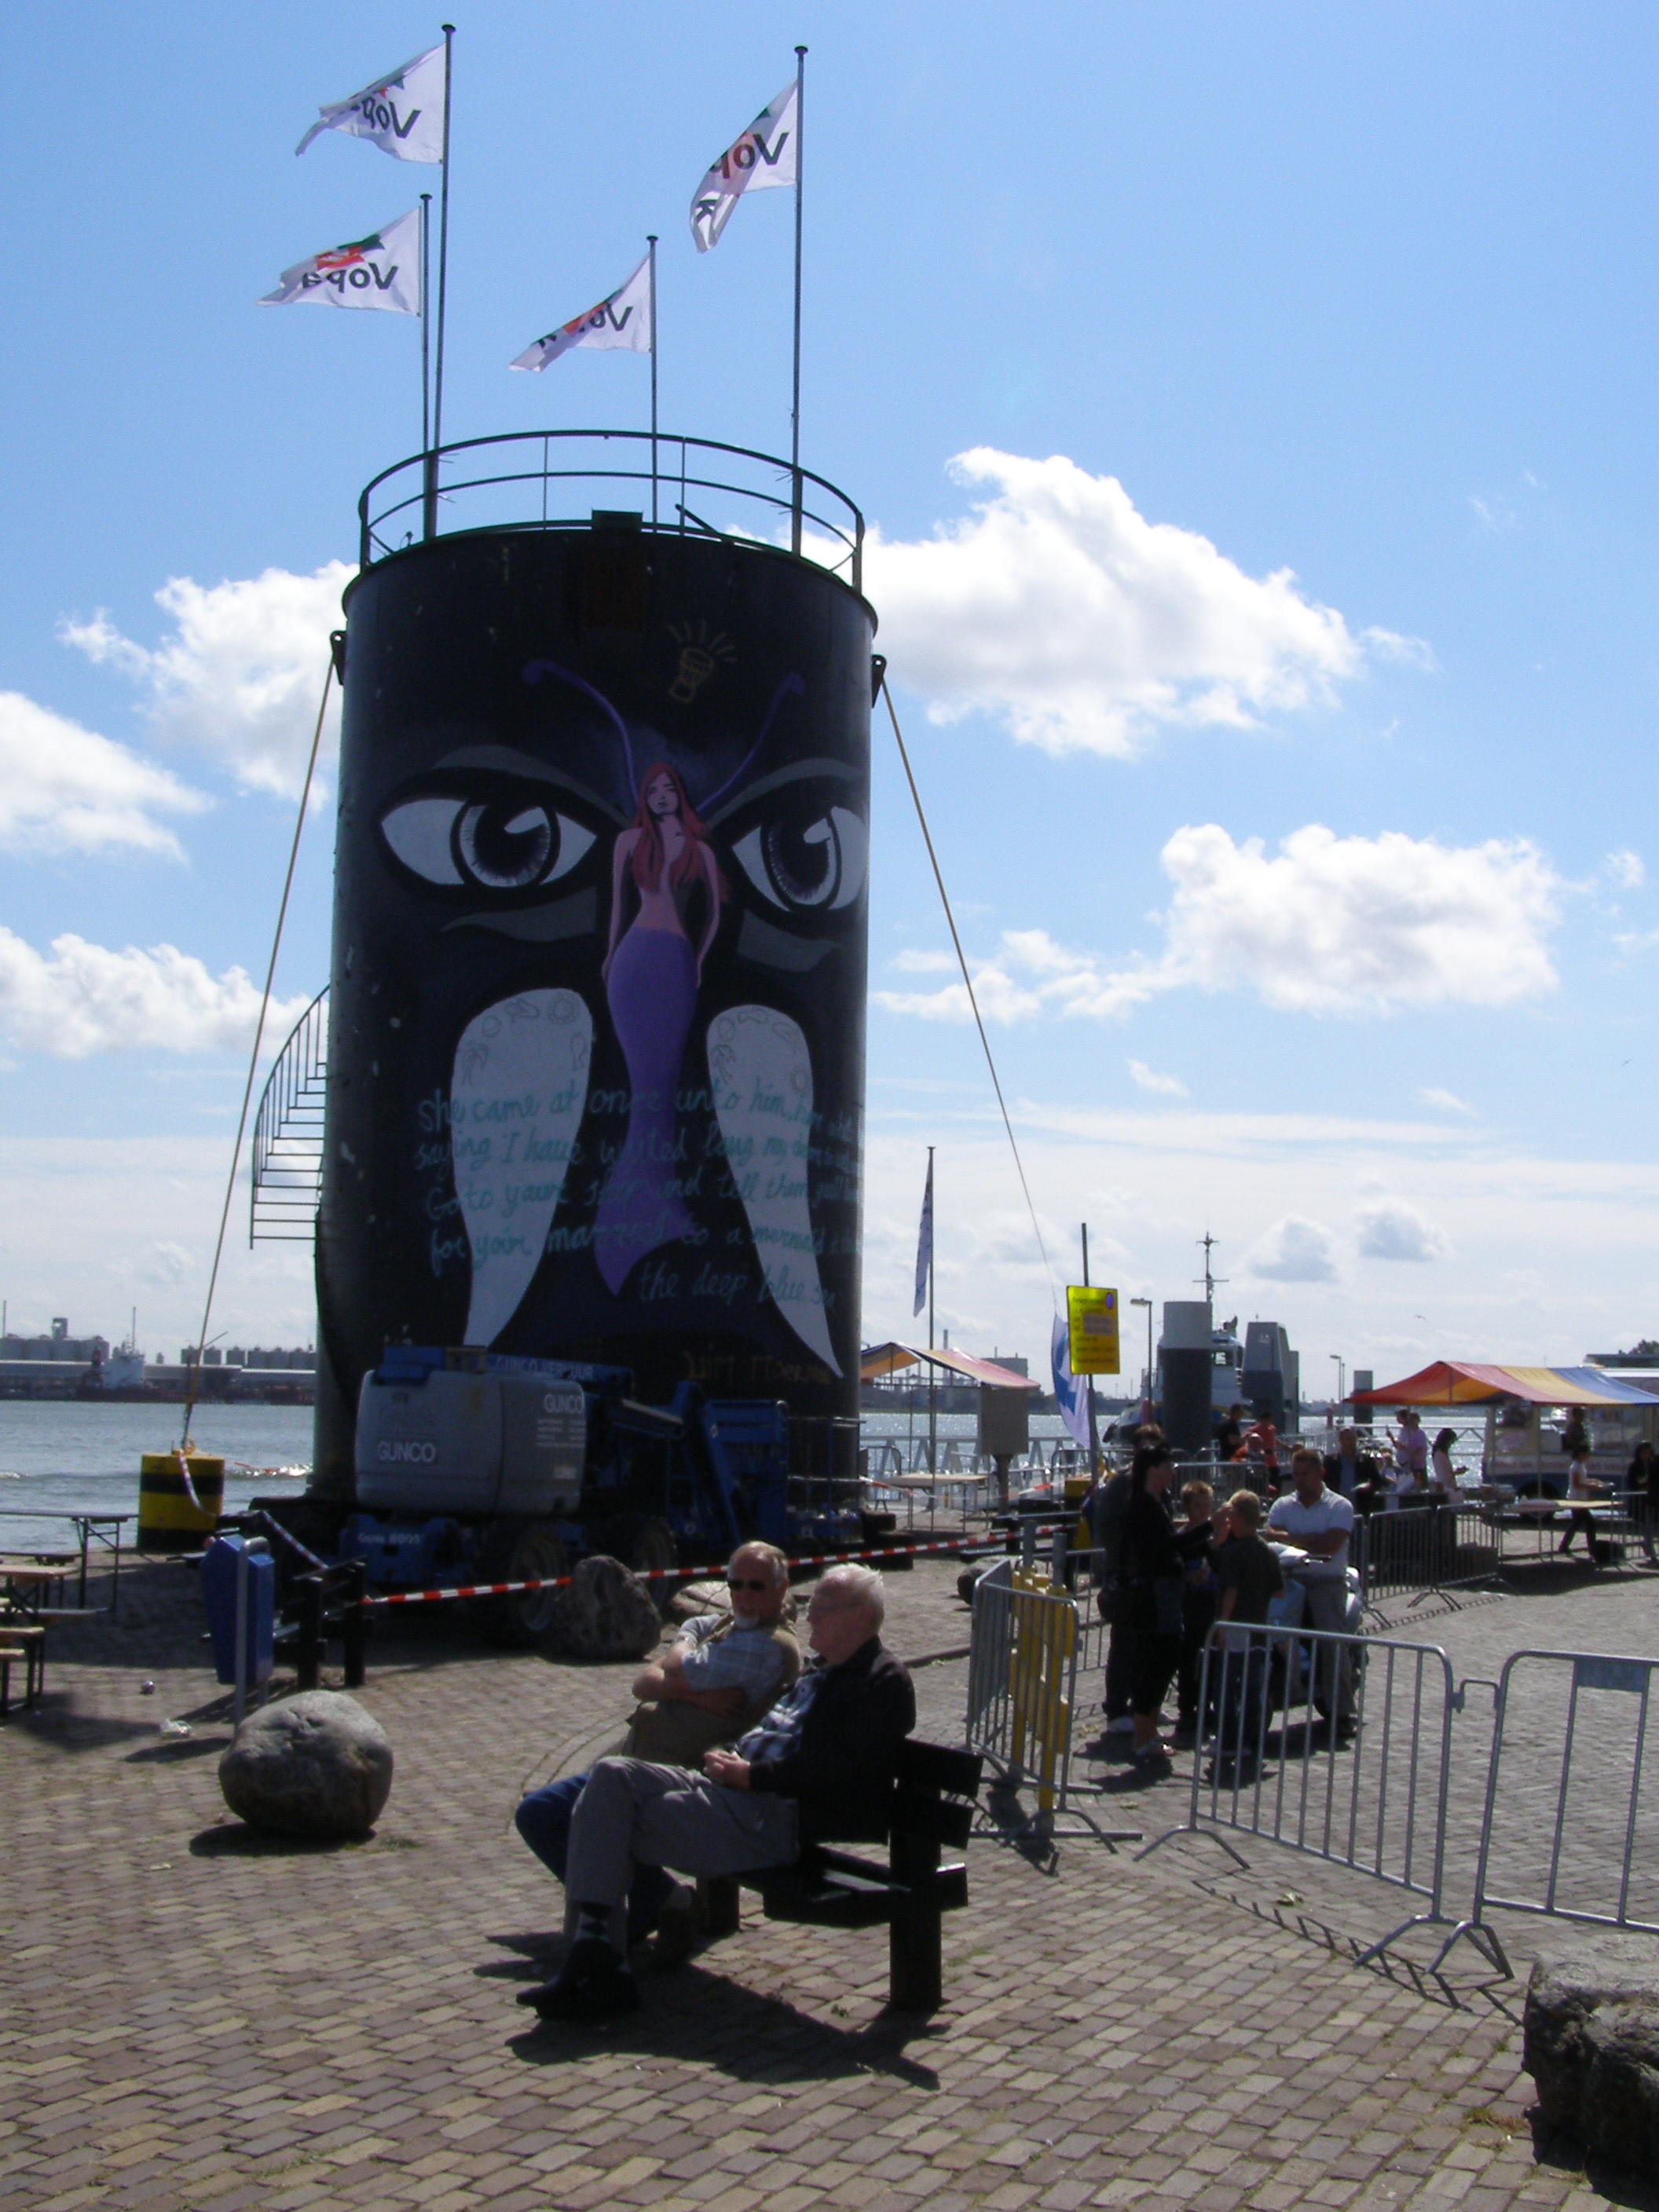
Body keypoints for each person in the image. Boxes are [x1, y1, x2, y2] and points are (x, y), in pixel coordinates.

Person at [516, 1564, 914, 2021]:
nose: (811, 1617)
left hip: (769, 1817)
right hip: (730, 1790)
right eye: (812, 1605)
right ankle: (598, 1963)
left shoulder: (881, 1682)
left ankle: (596, 1966)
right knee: (610, 1775)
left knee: (604, 1819)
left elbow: (840, 1770)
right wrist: (729, 1753)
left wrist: (754, 1776)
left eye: (823, 1607)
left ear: (861, 1617)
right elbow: (769, 1732)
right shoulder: (818, 1669)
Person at [515, 1544, 800, 1965]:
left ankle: (620, 1925)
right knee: (542, 1812)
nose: (743, 1595)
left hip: (675, 1774)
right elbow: (650, 1678)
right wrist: (693, 1692)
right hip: (641, 1767)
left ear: (782, 1588)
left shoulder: (764, 1648)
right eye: (735, 1584)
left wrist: (674, 1669)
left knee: (545, 1815)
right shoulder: (731, 1625)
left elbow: (663, 1675)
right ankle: (656, 1899)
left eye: (756, 1586)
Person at [594, 761, 727, 1296]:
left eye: (670, 788)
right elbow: (617, 907)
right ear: (645, 796)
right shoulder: (628, 843)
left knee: (663, 1086)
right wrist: (609, 957)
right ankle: (630, 1217)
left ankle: (661, 1207)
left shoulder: (700, 850)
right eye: (655, 789)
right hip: (634, 960)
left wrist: (699, 959)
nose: (663, 795)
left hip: (675, 961)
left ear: (680, 794)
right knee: (641, 1085)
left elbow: (714, 914)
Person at [1266, 1446, 1357, 1730]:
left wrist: (1291, 1539)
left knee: (1331, 1639)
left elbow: (1331, 1544)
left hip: (1325, 1581)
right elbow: (1270, 1535)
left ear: (1321, 1473)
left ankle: (1342, 1711)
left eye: (1306, 1474)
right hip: (1287, 1577)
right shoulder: (1283, 1505)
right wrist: (1306, 1540)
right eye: (1296, 1474)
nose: (1300, 1480)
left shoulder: (1339, 1506)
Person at [1118, 1444, 1185, 1766]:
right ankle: (1142, 1733)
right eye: (1167, 1467)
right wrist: (1208, 1530)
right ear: (1152, 1470)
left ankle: (1148, 1729)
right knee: (1160, 1656)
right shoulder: (1143, 1505)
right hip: (1156, 1590)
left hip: (1164, 1586)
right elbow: (1165, 1547)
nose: (1172, 1473)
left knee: (1163, 1656)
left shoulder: (1156, 1502)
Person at [1209, 1489, 1284, 1773]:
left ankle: (1227, 1738)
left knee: (1226, 1686)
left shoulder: (1234, 1552)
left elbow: (1231, 1591)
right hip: (1259, 1627)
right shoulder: (1267, 1551)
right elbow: (1279, 1592)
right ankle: (1250, 1741)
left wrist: (1222, 1626)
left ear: (1238, 1517)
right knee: (1254, 1690)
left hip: (1236, 1626)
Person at [1086, 1459, 1135, 1735]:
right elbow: (1107, 1529)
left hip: (1144, 1578)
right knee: (1123, 1645)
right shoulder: (1120, 1487)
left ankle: (1140, 1704)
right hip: (1124, 1577)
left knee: (1141, 1646)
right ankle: (1116, 1708)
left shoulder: (1154, 1490)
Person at [1174, 1480, 1219, 1744]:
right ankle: (1187, 1708)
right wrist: (1188, 1577)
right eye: (1198, 1506)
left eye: (1206, 1505)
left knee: (1211, 1656)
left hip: (1210, 1599)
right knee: (1188, 1657)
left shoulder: (1216, 1537)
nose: (1203, 1511)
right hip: (1190, 1602)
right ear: (1188, 1508)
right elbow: (1173, 1568)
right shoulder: (1183, 1537)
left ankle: (1208, 1704)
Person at [1558, 1443, 1608, 1559]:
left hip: (1580, 1498)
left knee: (1578, 1523)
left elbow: (1583, 1480)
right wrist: (1593, 1487)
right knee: (1589, 1523)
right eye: (1587, 1454)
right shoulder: (1576, 1466)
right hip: (1576, 1499)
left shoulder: (1580, 1466)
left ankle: (1565, 1546)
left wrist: (1594, 1481)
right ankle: (1592, 1548)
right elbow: (1577, 1484)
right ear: (1581, 1454)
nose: (1588, 1456)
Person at [1324, 1426, 1382, 1511]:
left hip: (1359, 1507)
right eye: (1348, 1439)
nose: (1351, 1442)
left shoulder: (1366, 1461)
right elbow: (1323, 1482)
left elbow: (1378, 1482)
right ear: (1340, 1441)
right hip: (1335, 1508)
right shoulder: (1330, 1461)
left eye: (1353, 1439)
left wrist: (1369, 1486)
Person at [1429, 1429, 1465, 1498]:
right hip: (1447, 1488)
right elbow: (1445, 1476)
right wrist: (1457, 1472)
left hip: (1446, 1487)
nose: (1451, 1445)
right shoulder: (1441, 1455)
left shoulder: (1438, 1454)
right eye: (1451, 1442)